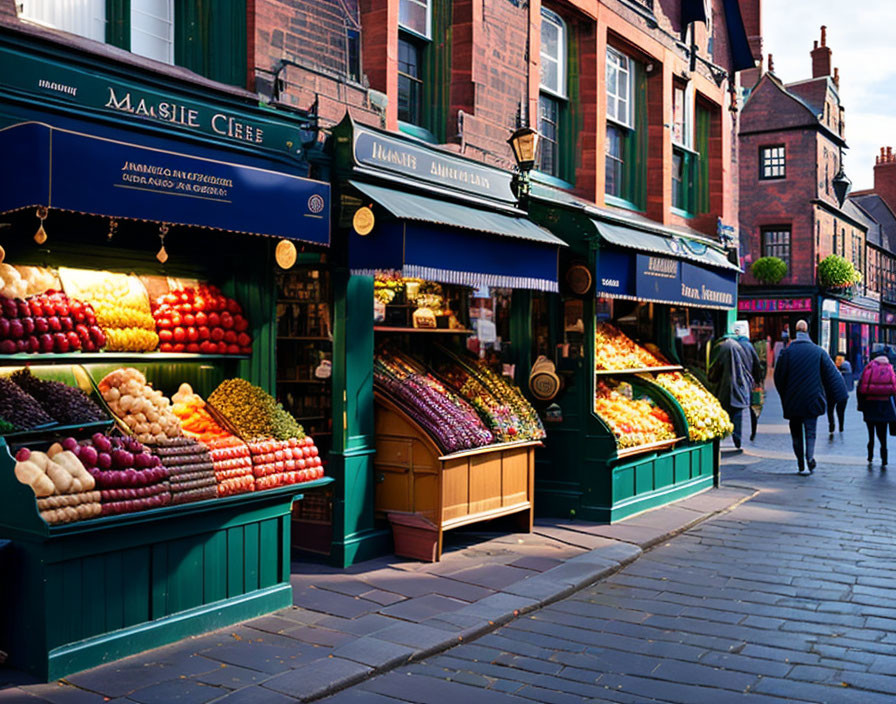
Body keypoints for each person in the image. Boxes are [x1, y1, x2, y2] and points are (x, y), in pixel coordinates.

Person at [774, 320, 848, 473]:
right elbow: (831, 375)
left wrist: (784, 395)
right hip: (812, 399)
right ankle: (810, 457)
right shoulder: (818, 351)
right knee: (810, 431)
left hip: (793, 400)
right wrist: (840, 394)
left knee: (795, 432)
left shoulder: (787, 352)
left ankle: (800, 462)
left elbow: (778, 377)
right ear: (807, 331)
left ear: (795, 331)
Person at [708, 327, 754, 450]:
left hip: (724, 388)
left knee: (724, 412)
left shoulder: (720, 348)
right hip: (739, 387)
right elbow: (748, 366)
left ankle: (721, 438)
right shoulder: (739, 347)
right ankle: (737, 439)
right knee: (737, 414)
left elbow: (715, 370)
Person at [856, 353, 896, 466]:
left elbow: (860, 388)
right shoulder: (889, 368)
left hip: (870, 404)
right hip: (885, 405)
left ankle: (870, 455)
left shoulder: (869, 367)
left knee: (871, 432)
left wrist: (861, 406)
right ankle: (884, 456)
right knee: (882, 433)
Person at [732, 321, 765, 441]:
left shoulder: (732, 345)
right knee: (752, 406)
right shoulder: (749, 346)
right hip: (748, 382)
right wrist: (758, 381)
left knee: (735, 407)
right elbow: (757, 365)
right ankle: (753, 431)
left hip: (734, 380)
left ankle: (736, 434)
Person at [827, 354, 853, 434]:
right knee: (840, 411)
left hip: (833, 393)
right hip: (843, 394)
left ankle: (832, 426)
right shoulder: (840, 372)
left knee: (830, 409)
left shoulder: (829, 372)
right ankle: (840, 427)